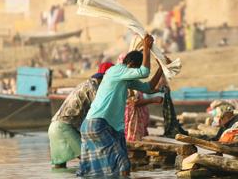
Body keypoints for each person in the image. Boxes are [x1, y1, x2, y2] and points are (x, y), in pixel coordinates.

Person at [78, 35, 163, 177]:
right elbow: (144, 72)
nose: (136, 73)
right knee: (122, 165)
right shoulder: (117, 70)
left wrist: (161, 68)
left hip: (98, 126)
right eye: (136, 68)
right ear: (130, 65)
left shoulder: (124, 79)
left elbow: (148, 87)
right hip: (98, 124)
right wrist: (147, 48)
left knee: (94, 171)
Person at [48, 62, 114, 168]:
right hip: (64, 126)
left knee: (59, 168)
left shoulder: (88, 84)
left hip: (54, 126)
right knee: (89, 160)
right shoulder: (94, 88)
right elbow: (100, 112)